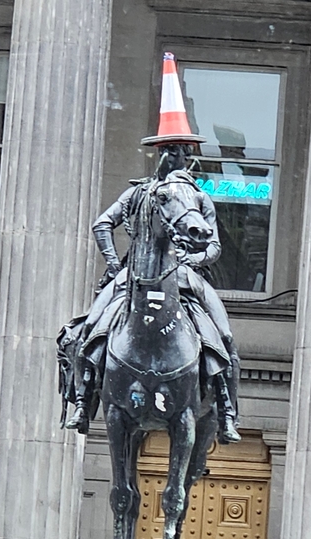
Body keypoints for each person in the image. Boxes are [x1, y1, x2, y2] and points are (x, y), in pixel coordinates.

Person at [59, 143, 240, 443]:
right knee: (89, 328)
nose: (174, 155)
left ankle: (227, 411)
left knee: (225, 338)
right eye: (168, 149)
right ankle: (82, 400)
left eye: (181, 150)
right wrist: (115, 264)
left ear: (189, 156)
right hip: (134, 276)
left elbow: (214, 246)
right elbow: (102, 223)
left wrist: (192, 259)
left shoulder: (198, 197)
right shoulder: (138, 193)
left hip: (186, 276)